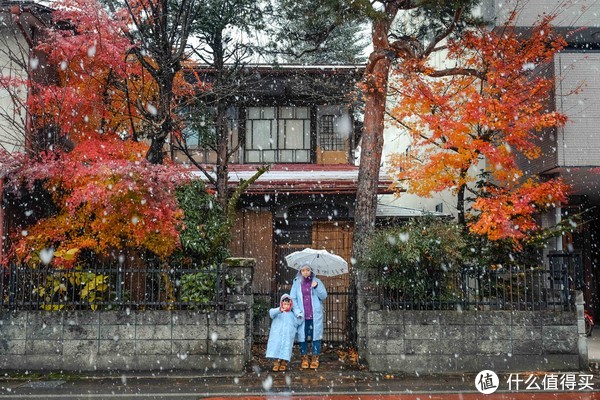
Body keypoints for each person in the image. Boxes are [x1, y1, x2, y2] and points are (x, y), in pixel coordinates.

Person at [290, 264, 327, 369]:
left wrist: (317, 287)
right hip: (302, 316)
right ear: (300, 272)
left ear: (311, 271)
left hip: (315, 315)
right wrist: (297, 311)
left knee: (316, 337)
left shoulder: (317, 281)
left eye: (308, 270)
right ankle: (304, 357)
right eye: (303, 270)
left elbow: (324, 296)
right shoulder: (297, 282)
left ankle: (315, 357)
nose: (305, 272)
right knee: (302, 337)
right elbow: (293, 298)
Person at [265, 293, 302, 372]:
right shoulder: (278, 313)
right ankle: (276, 362)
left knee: (286, 348)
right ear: (281, 304)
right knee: (276, 347)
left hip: (287, 335)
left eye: (288, 304)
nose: (286, 306)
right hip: (277, 335)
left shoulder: (292, 315)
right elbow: (271, 312)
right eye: (284, 304)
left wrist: (299, 315)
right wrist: (279, 310)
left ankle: (284, 362)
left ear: (290, 305)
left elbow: (298, 322)